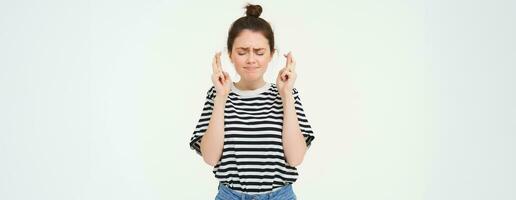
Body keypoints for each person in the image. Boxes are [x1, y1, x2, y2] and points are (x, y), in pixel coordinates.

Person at [189, 4, 315, 200]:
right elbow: (210, 158)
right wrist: (221, 96)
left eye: (259, 51)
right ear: (230, 54)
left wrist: (287, 96)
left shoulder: (287, 94)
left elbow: (296, 158)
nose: (251, 59)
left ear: (271, 54)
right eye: (242, 52)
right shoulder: (218, 94)